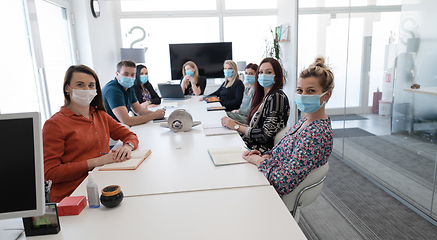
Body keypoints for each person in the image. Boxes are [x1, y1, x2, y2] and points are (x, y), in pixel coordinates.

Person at [43, 65, 140, 202]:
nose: (86, 90)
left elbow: (130, 135)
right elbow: (50, 173)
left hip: (103, 185)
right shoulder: (54, 124)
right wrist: (97, 161)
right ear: (67, 88)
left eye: (91, 85)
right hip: (73, 196)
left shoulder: (100, 115)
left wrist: (127, 147)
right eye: (80, 85)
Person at [242, 57, 334, 197]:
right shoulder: (304, 121)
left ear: (327, 95)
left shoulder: (316, 134)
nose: (303, 96)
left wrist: (259, 161)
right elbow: (282, 152)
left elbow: (284, 182)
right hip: (268, 179)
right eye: (299, 90)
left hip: (275, 195)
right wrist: (265, 155)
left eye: (310, 91)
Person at [221, 58, 290, 154]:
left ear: (277, 76)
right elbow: (255, 127)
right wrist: (236, 124)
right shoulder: (263, 96)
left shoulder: (277, 97)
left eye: (268, 72)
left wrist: (236, 127)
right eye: (260, 72)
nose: (263, 75)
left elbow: (265, 135)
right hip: (250, 144)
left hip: (258, 151)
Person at [102, 60, 165, 126]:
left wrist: (158, 114)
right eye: (126, 74)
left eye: (132, 75)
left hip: (118, 127)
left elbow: (139, 110)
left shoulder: (129, 87)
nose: (129, 77)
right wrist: (154, 115)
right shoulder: (113, 90)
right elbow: (126, 121)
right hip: (107, 130)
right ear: (117, 74)